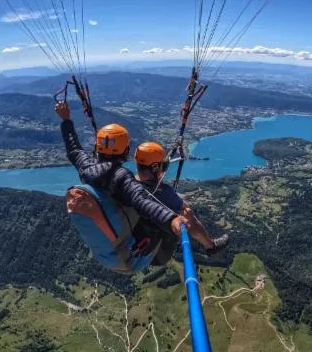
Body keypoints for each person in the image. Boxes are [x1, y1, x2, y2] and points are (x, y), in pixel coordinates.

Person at [55, 101, 189, 273]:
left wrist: (66, 120)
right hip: (132, 258)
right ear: (125, 152)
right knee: (168, 214)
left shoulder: (85, 168)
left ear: (97, 147)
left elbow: (73, 149)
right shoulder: (121, 177)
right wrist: (172, 219)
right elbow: (142, 200)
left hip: (110, 252)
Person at [134, 141, 229, 265]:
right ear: (155, 167)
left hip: (135, 245)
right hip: (157, 252)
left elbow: (156, 168)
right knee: (187, 212)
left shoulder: (129, 184)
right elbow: (185, 208)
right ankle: (210, 245)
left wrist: (172, 151)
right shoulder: (164, 192)